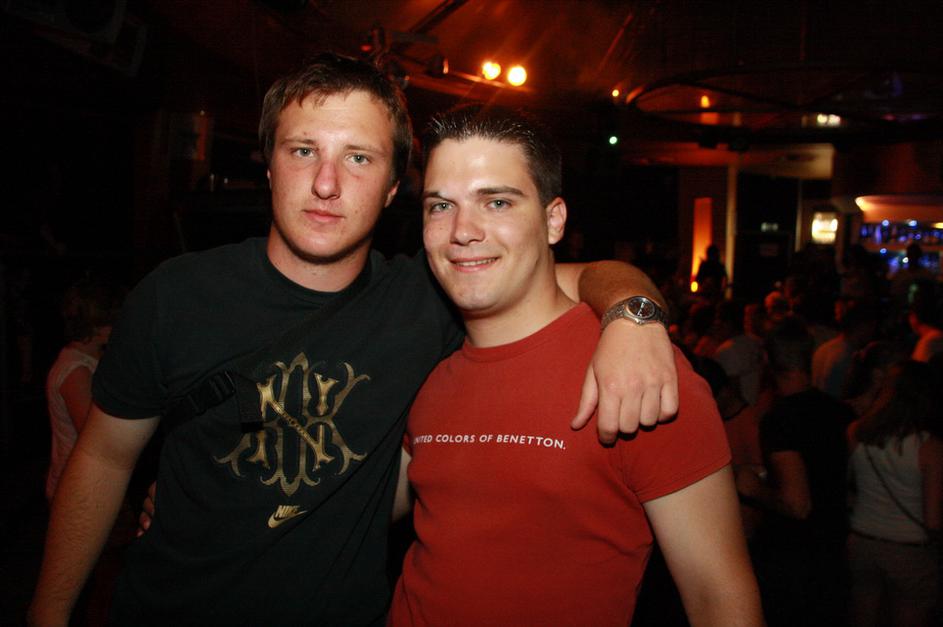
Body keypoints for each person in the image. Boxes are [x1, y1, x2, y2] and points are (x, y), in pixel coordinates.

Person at [29, 53, 678, 626]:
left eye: (358, 158)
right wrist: (49, 612)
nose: (326, 183)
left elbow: (581, 274)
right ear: (268, 165)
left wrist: (636, 316)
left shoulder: (431, 297)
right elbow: (104, 459)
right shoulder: (175, 296)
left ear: (395, 187)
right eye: (302, 150)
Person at [387, 105, 762, 626]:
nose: (462, 231)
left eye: (497, 202)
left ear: (553, 220)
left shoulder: (637, 369)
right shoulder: (428, 362)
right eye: (441, 206)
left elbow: (718, 599)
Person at [736, 316, 854, 627]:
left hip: (794, 558)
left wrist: (753, 488)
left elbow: (797, 505)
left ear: (767, 360)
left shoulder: (782, 419)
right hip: (834, 548)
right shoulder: (840, 411)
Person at [847, 360, 943, 627]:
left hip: (862, 541)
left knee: (863, 614)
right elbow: (933, 520)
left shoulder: (856, 432)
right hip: (908, 549)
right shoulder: (930, 448)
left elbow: (851, 486)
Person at [45, 276, 123, 502]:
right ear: (95, 325)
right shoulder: (76, 371)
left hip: (87, 482)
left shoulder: (92, 359)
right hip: (76, 489)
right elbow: (95, 436)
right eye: (113, 320)